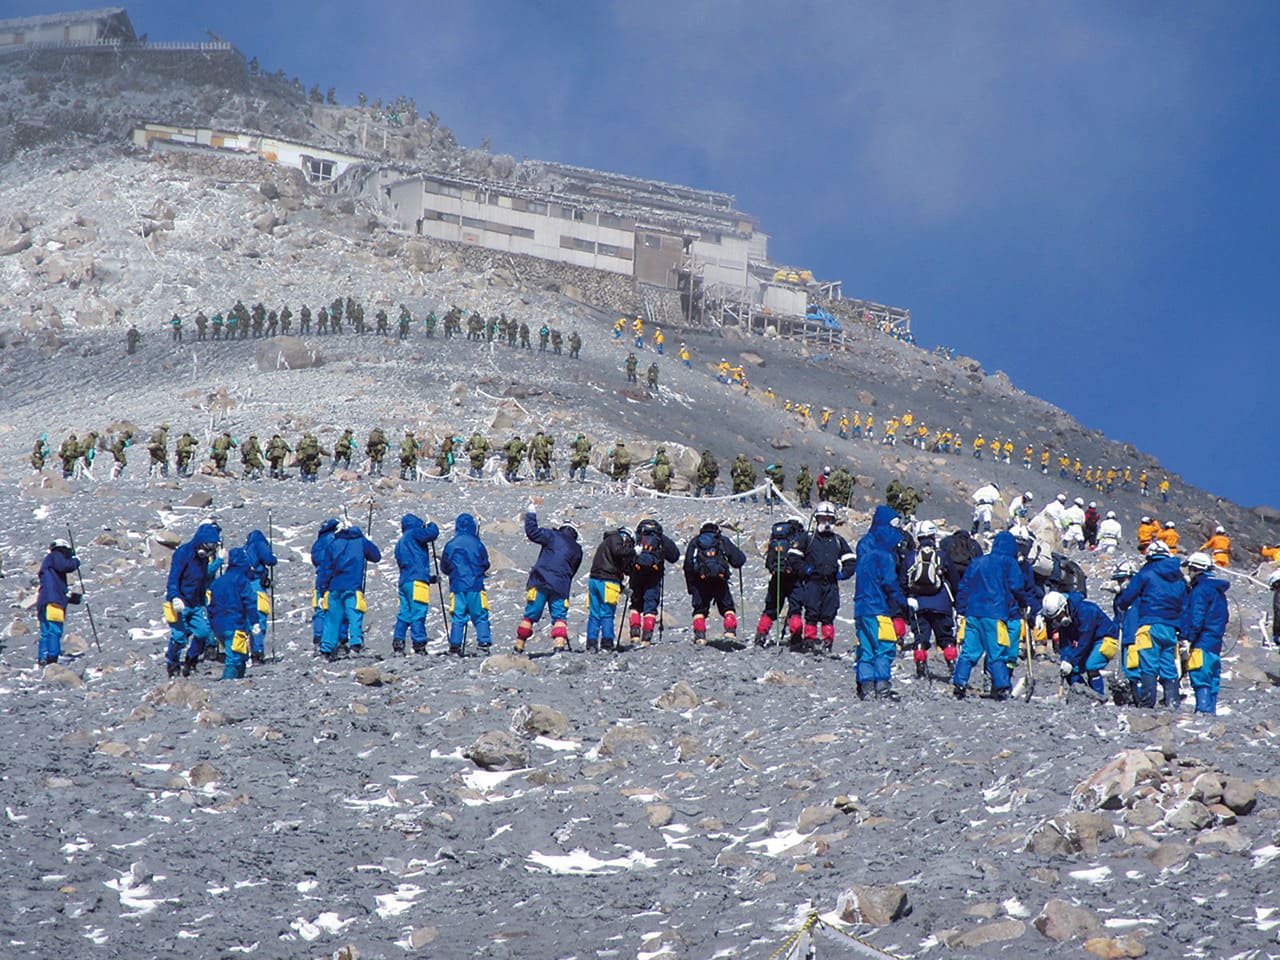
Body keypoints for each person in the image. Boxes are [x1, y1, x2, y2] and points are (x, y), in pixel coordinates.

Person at [951, 530, 1030, 700]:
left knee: (969, 651)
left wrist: (961, 609)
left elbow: (964, 586)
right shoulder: (1009, 563)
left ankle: (959, 683)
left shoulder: (978, 562)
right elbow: (1016, 586)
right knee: (996, 652)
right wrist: (1024, 603)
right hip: (995, 614)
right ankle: (1002, 687)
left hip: (973, 612)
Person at [1114, 540, 1188, 708]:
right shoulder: (1178, 577)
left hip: (1149, 624)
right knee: (1168, 665)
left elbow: (1129, 595)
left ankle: (1147, 705)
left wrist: (1122, 603)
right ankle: (1172, 701)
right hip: (1171, 628)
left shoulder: (1147, 572)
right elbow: (1185, 605)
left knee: (1149, 665)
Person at [788, 501, 858, 657]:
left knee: (829, 614)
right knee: (811, 614)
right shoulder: (808, 538)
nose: (826, 522)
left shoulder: (838, 541)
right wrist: (805, 570)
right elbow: (793, 557)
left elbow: (851, 559)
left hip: (831, 583)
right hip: (813, 582)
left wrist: (844, 573)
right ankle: (809, 642)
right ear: (817, 519)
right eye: (822, 518)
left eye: (829, 519)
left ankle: (827, 643)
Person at [852, 506, 908, 698]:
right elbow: (889, 582)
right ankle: (882, 686)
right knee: (885, 645)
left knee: (866, 647)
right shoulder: (884, 555)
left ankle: (866, 686)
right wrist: (904, 601)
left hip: (861, 606)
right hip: (878, 607)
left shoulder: (864, 547)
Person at [515, 504, 583, 654]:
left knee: (530, 615)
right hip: (561, 585)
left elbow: (532, 532)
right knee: (559, 616)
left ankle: (519, 646)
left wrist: (531, 514)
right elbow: (573, 571)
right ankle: (559, 646)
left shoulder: (552, 536)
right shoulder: (577, 549)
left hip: (540, 580)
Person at [316, 519, 381, 660]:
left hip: (334, 587)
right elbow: (376, 557)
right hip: (353, 586)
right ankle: (355, 646)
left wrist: (322, 590)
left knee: (332, 619)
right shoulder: (360, 541)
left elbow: (325, 569)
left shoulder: (333, 544)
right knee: (354, 616)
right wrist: (368, 542)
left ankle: (326, 649)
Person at [165, 523, 221, 677]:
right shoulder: (183, 553)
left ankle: (191, 661)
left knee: (202, 633)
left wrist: (203, 601)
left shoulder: (203, 558)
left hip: (195, 603)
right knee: (179, 636)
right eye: (209, 545)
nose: (211, 549)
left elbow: (203, 579)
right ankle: (173, 664)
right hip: (179, 603)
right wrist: (175, 597)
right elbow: (173, 578)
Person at [904, 520, 957, 678]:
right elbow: (954, 580)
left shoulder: (911, 557)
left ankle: (920, 669)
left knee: (920, 638)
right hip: (941, 603)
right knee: (946, 638)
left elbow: (902, 581)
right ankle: (952, 666)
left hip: (918, 603)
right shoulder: (942, 556)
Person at [1041, 590, 1118, 698]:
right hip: (1086, 642)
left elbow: (1085, 639)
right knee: (1071, 670)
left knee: (1091, 666)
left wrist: (1071, 661)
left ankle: (1099, 697)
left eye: (1059, 616)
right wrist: (1065, 660)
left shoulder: (1086, 611)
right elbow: (1065, 642)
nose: (1059, 620)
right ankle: (1082, 694)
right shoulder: (1067, 619)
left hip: (1104, 638)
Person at [683, 520, 747, 644]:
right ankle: (730, 631)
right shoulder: (721, 540)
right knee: (727, 608)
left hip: (699, 581)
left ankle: (700, 636)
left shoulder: (695, 542)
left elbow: (688, 565)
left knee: (699, 610)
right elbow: (739, 560)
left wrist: (690, 586)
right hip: (720, 579)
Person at [1181, 552, 1228, 714]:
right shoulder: (1218, 591)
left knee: (1200, 676)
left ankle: (1202, 711)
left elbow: (1196, 618)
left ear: (1195, 569)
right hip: (1215, 643)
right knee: (1212, 680)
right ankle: (1210, 712)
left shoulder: (1200, 590)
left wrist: (1188, 639)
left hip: (1201, 641)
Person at [440, 512, 493, 655]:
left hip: (457, 586)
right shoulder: (477, 543)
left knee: (458, 616)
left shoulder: (451, 544)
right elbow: (485, 563)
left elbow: (444, 566)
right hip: (475, 585)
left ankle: (455, 645)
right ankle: (483, 643)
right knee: (480, 615)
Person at [753, 516, 807, 645]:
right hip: (794, 579)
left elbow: (768, 561)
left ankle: (761, 635)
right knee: (795, 609)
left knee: (770, 609)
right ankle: (796, 636)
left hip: (776, 577)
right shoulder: (800, 537)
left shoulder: (777, 537)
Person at [627, 518, 681, 646]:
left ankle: (634, 635)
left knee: (635, 605)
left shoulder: (637, 537)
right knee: (650, 607)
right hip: (654, 576)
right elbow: (674, 556)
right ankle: (647, 638)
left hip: (636, 575)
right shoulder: (661, 538)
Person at [208, 547, 259, 680]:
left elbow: (211, 606)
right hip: (234, 623)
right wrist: (255, 622)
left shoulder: (218, 582)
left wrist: (212, 625)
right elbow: (250, 602)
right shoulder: (241, 580)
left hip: (218, 625)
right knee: (234, 657)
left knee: (238, 654)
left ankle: (238, 681)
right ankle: (229, 684)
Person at [393, 513, 440, 655]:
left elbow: (410, 565)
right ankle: (419, 643)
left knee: (404, 614)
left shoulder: (400, 542)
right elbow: (431, 534)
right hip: (417, 583)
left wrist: (429, 578)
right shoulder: (414, 533)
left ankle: (398, 642)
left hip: (404, 582)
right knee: (418, 612)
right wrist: (432, 525)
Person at [586, 525, 633, 652]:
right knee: (607, 614)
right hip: (608, 583)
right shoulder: (616, 539)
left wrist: (622, 589)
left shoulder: (605, 543)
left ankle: (591, 643)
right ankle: (607, 644)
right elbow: (618, 553)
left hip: (594, 580)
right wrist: (634, 552)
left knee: (594, 614)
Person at [37, 538, 82, 666]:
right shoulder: (56, 556)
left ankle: (43, 658)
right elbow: (65, 566)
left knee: (45, 631)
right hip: (54, 602)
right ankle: (52, 659)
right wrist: (76, 561)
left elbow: (56, 588)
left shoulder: (50, 567)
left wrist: (71, 598)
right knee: (54, 630)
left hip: (43, 601)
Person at [242, 529, 277, 664]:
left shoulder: (245, 549)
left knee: (247, 620)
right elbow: (270, 560)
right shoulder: (258, 542)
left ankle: (244, 652)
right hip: (256, 585)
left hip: (244, 585)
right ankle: (258, 652)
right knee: (259, 618)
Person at [310, 519, 344, 650]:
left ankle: (318, 636)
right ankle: (338, 639)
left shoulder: (318, 543)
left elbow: (315, 560)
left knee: (320, 609)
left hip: (320, 578)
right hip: (334, 578)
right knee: (336, 609)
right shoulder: (334, 540)